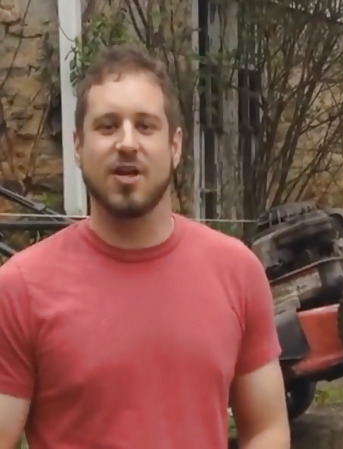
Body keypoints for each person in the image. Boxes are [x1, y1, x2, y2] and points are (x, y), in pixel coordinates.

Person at [0, 45, 290, 449]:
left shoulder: (237, 272)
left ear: (175, 146)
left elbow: (266, 429)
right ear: (78, 146)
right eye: (107, 126)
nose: (127, 143)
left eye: (145, 125)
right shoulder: (20, 288)